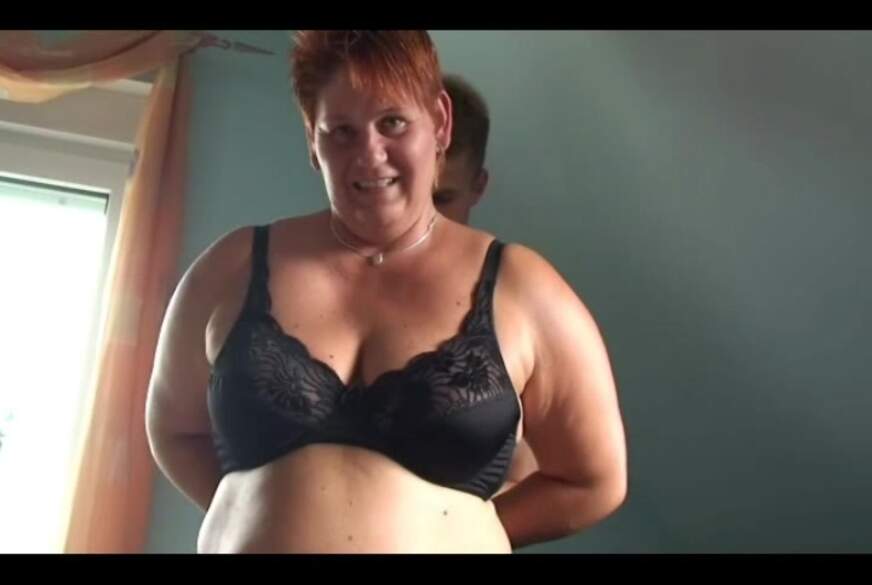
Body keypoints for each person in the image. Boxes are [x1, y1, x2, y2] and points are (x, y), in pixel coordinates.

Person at [146, 30, 626, 554]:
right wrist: (256, 515)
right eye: (341, 131)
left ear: (439, 122)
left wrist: (465, 535)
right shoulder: (231, 267)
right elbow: (173, 429)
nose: (369, 155)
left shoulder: (523, 288)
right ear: (311, 140)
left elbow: (593, 480)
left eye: (392, 123)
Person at [435, 73, 540, 492]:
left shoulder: (514, 300)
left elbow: (537, 470)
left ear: (478, 187)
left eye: (442, 198)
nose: (422, 216)